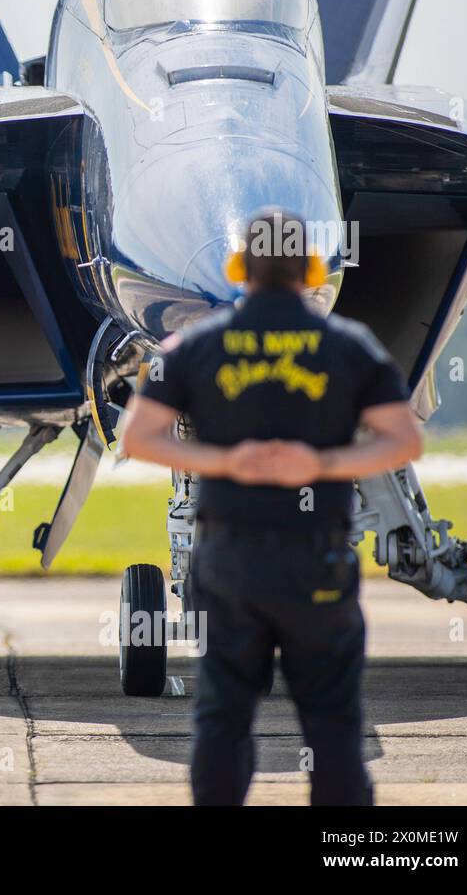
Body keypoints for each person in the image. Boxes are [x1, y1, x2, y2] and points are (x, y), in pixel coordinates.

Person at [118, 210, 422, 806]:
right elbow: (403, 440)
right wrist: (321, 465)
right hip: (319, 565)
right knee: (333, 726)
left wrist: (227, 462)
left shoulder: (195, 346)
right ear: (311, 268)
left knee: (223, 718)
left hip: (230, 565)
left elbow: (137, 438)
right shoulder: (347, 345)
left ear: (238, 269)